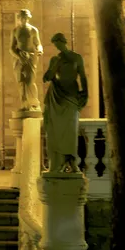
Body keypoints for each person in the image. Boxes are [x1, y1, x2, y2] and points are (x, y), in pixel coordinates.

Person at [42, 33, 88, 174]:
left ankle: (71, 160)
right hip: (57, 97)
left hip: (71, 95)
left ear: (64, 42)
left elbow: (83, 76)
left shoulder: (76, 58)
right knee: (56, 131)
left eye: (58, 43)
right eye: (55, 44)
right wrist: (53, 67)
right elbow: (46, 78)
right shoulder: (56, 59)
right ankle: (58, 163)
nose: (57, 46)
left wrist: (85, 92)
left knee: (71, 130)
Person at [10, 9, 43, 111]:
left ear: (28, 18)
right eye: (21, 18)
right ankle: (24, 104)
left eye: (25, 18)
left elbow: (38, 43)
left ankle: (34, 103)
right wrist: (19, 56)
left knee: (30, 81)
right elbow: (11, 48)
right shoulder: (15, 31)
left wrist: (39, 50)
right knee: (21, 82)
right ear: (19, 18)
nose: (23, 20)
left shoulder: (33, 30)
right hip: (19, 58)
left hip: (31, 57)